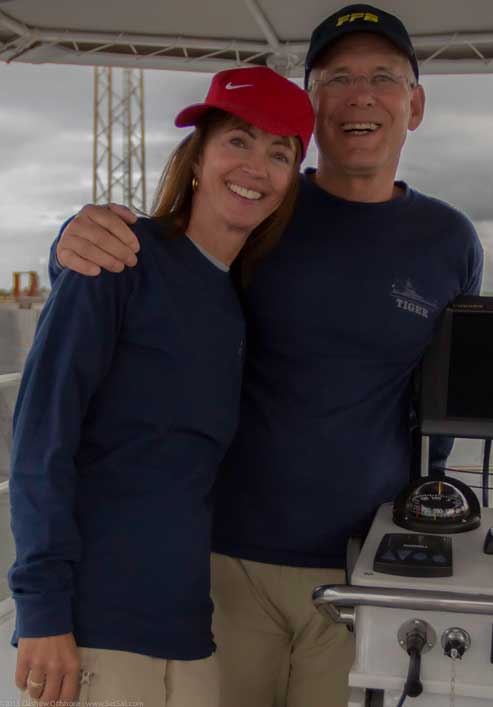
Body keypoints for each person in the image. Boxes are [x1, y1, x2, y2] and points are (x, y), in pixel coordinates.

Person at [49, 4, 484, 706]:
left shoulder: (450, 241)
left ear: (416, 104)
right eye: (338, 77)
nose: (361, 95)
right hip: (226, 562)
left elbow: (440, 405)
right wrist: (68, 245)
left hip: (360, 567)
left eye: (383, 76)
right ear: (312, 104)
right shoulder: (266, 207)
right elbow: (164, 257)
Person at [10, 66, 314, 707]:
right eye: (238, 139)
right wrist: (42, 611)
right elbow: (42, 437)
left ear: (289, 183)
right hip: (96, 627)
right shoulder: (117, 258)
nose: (256, 166)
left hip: (188, 630)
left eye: (280, 152)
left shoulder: (234, 304)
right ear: (197, 157)